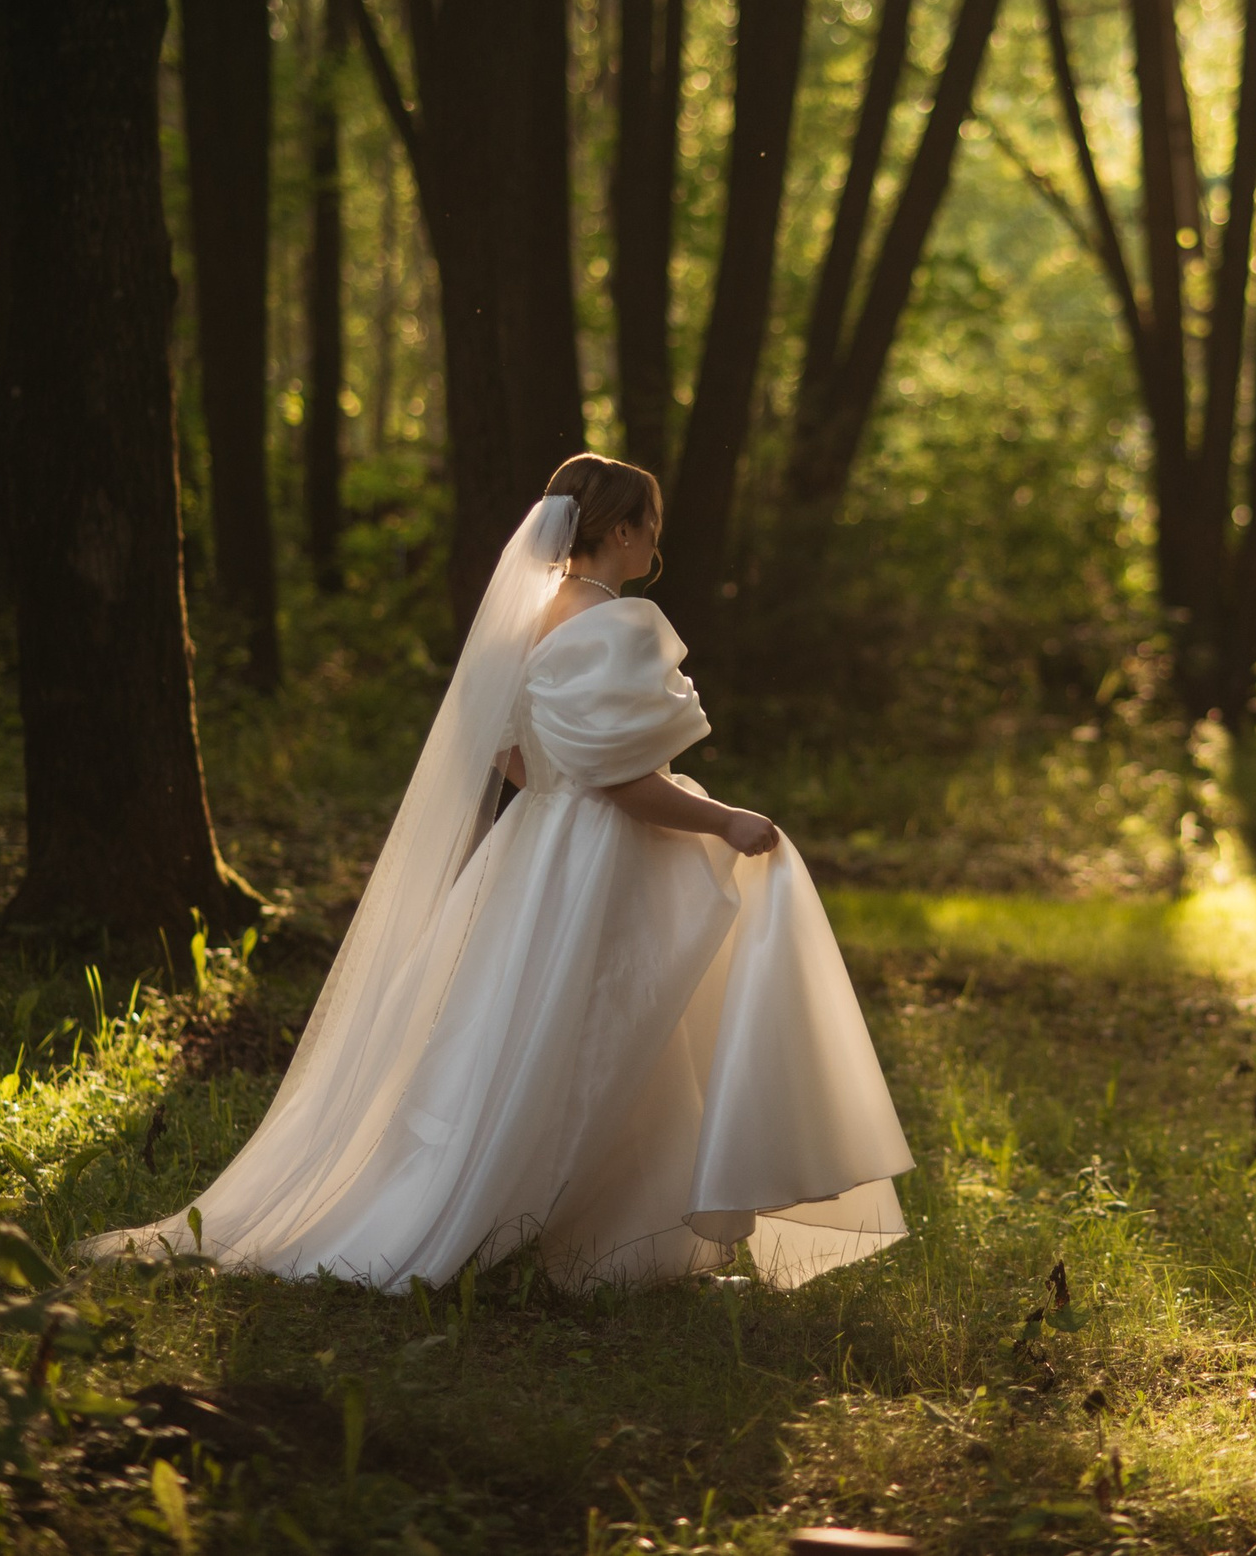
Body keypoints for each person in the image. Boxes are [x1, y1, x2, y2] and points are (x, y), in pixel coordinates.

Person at [84, 454, 912, 1290]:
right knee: (613, 1028)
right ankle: (593, 1231)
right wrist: (724, 820)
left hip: (535, 850)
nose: (656, 541)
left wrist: (559, 794)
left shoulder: (527, 617)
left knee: (524, 1025)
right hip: (602, 860)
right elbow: (625, 784)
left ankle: (553, 1213)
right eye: (650, 524)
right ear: (622, 531)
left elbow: (511, 751)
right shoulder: (616, 624)